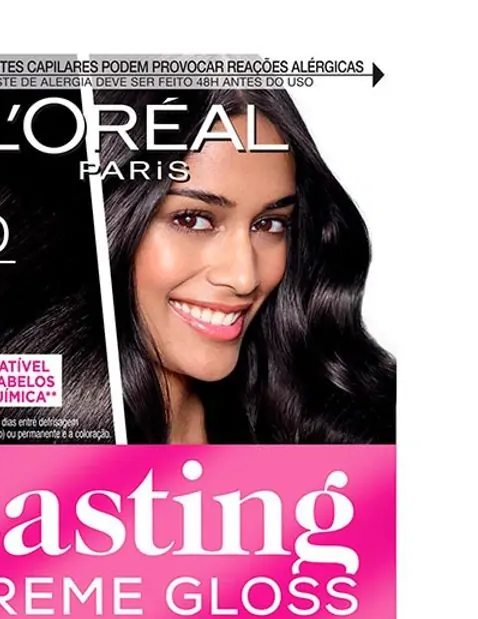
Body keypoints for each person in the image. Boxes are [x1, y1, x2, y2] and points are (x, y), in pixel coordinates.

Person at [100, 89, 396, 445]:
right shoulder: (45, 448)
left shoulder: (344, 437)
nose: (245, 278)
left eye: (270, 224)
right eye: (192, 219)